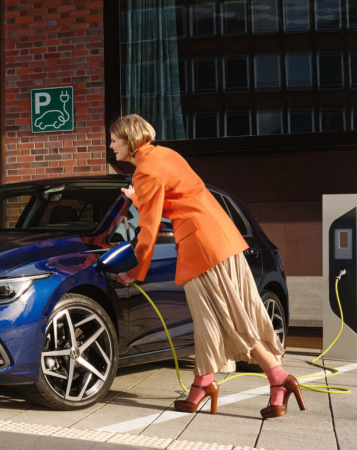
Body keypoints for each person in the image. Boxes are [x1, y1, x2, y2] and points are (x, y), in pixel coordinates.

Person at [109, 114, 304, 419]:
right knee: (214, 320)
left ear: (130, 141)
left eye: (114, 140)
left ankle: (278, 378)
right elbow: (176, 198)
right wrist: (139, 199)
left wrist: (134, 272)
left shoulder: (145, 172)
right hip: (222, 238)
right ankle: (203, 384)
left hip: (201, 248)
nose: (111, 146)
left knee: (228, 319)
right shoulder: (165, 155)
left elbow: (148, 229)